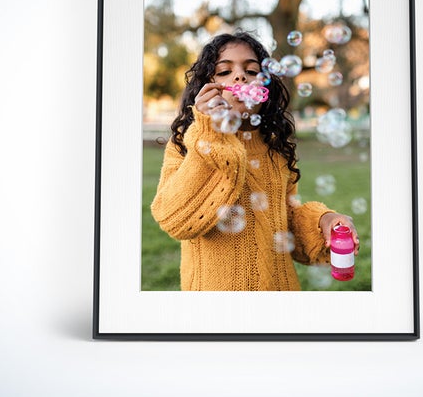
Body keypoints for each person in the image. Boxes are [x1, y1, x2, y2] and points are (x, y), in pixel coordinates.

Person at [150, 30, 359, 291]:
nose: (240, 77)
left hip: (279, 294)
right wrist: (210, 133)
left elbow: (286, 218)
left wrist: (323, 221)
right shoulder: (188, 143)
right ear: (206, 86)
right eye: (224, 72)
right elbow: (174, 219)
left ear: (265, 89)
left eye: (251, 71)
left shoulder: (274, 145)